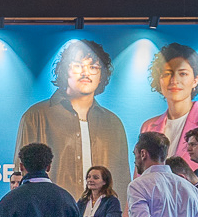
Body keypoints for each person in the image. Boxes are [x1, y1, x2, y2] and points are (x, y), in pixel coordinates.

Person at [16, 38, 131, 206]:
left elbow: (122, 181)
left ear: (101, 75)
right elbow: (21, 176)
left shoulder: (113, 123)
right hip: (51, 213)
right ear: (65, 70)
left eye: (93, 67)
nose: (86, 73)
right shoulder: (36, 116)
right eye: (78, 65)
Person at [140, 43, 198, 161]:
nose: (174, 80)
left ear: (195, 80)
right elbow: (140, 171)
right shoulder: (148, 127)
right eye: (167, 74)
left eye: (182, 74)